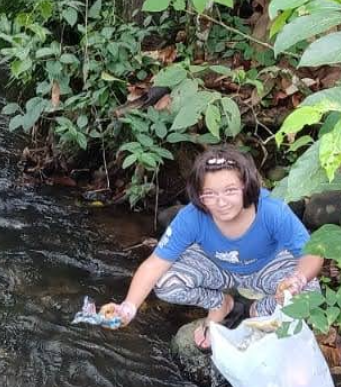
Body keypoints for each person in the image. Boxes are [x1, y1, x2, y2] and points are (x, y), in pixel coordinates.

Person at [110, 145, 324, 349]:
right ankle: (220, 304)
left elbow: (312, 252)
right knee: (166, 283)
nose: (221, 202)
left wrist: (296, 280)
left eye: (230, 190)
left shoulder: (271, 211)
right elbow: (155, 264)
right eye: (209, 194)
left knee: (309, 293)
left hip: (266, 266)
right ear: (198, 194)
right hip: (217, 266)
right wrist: (128, 307)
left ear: (246, 186)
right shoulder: (192, 217)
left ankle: (261, 310)